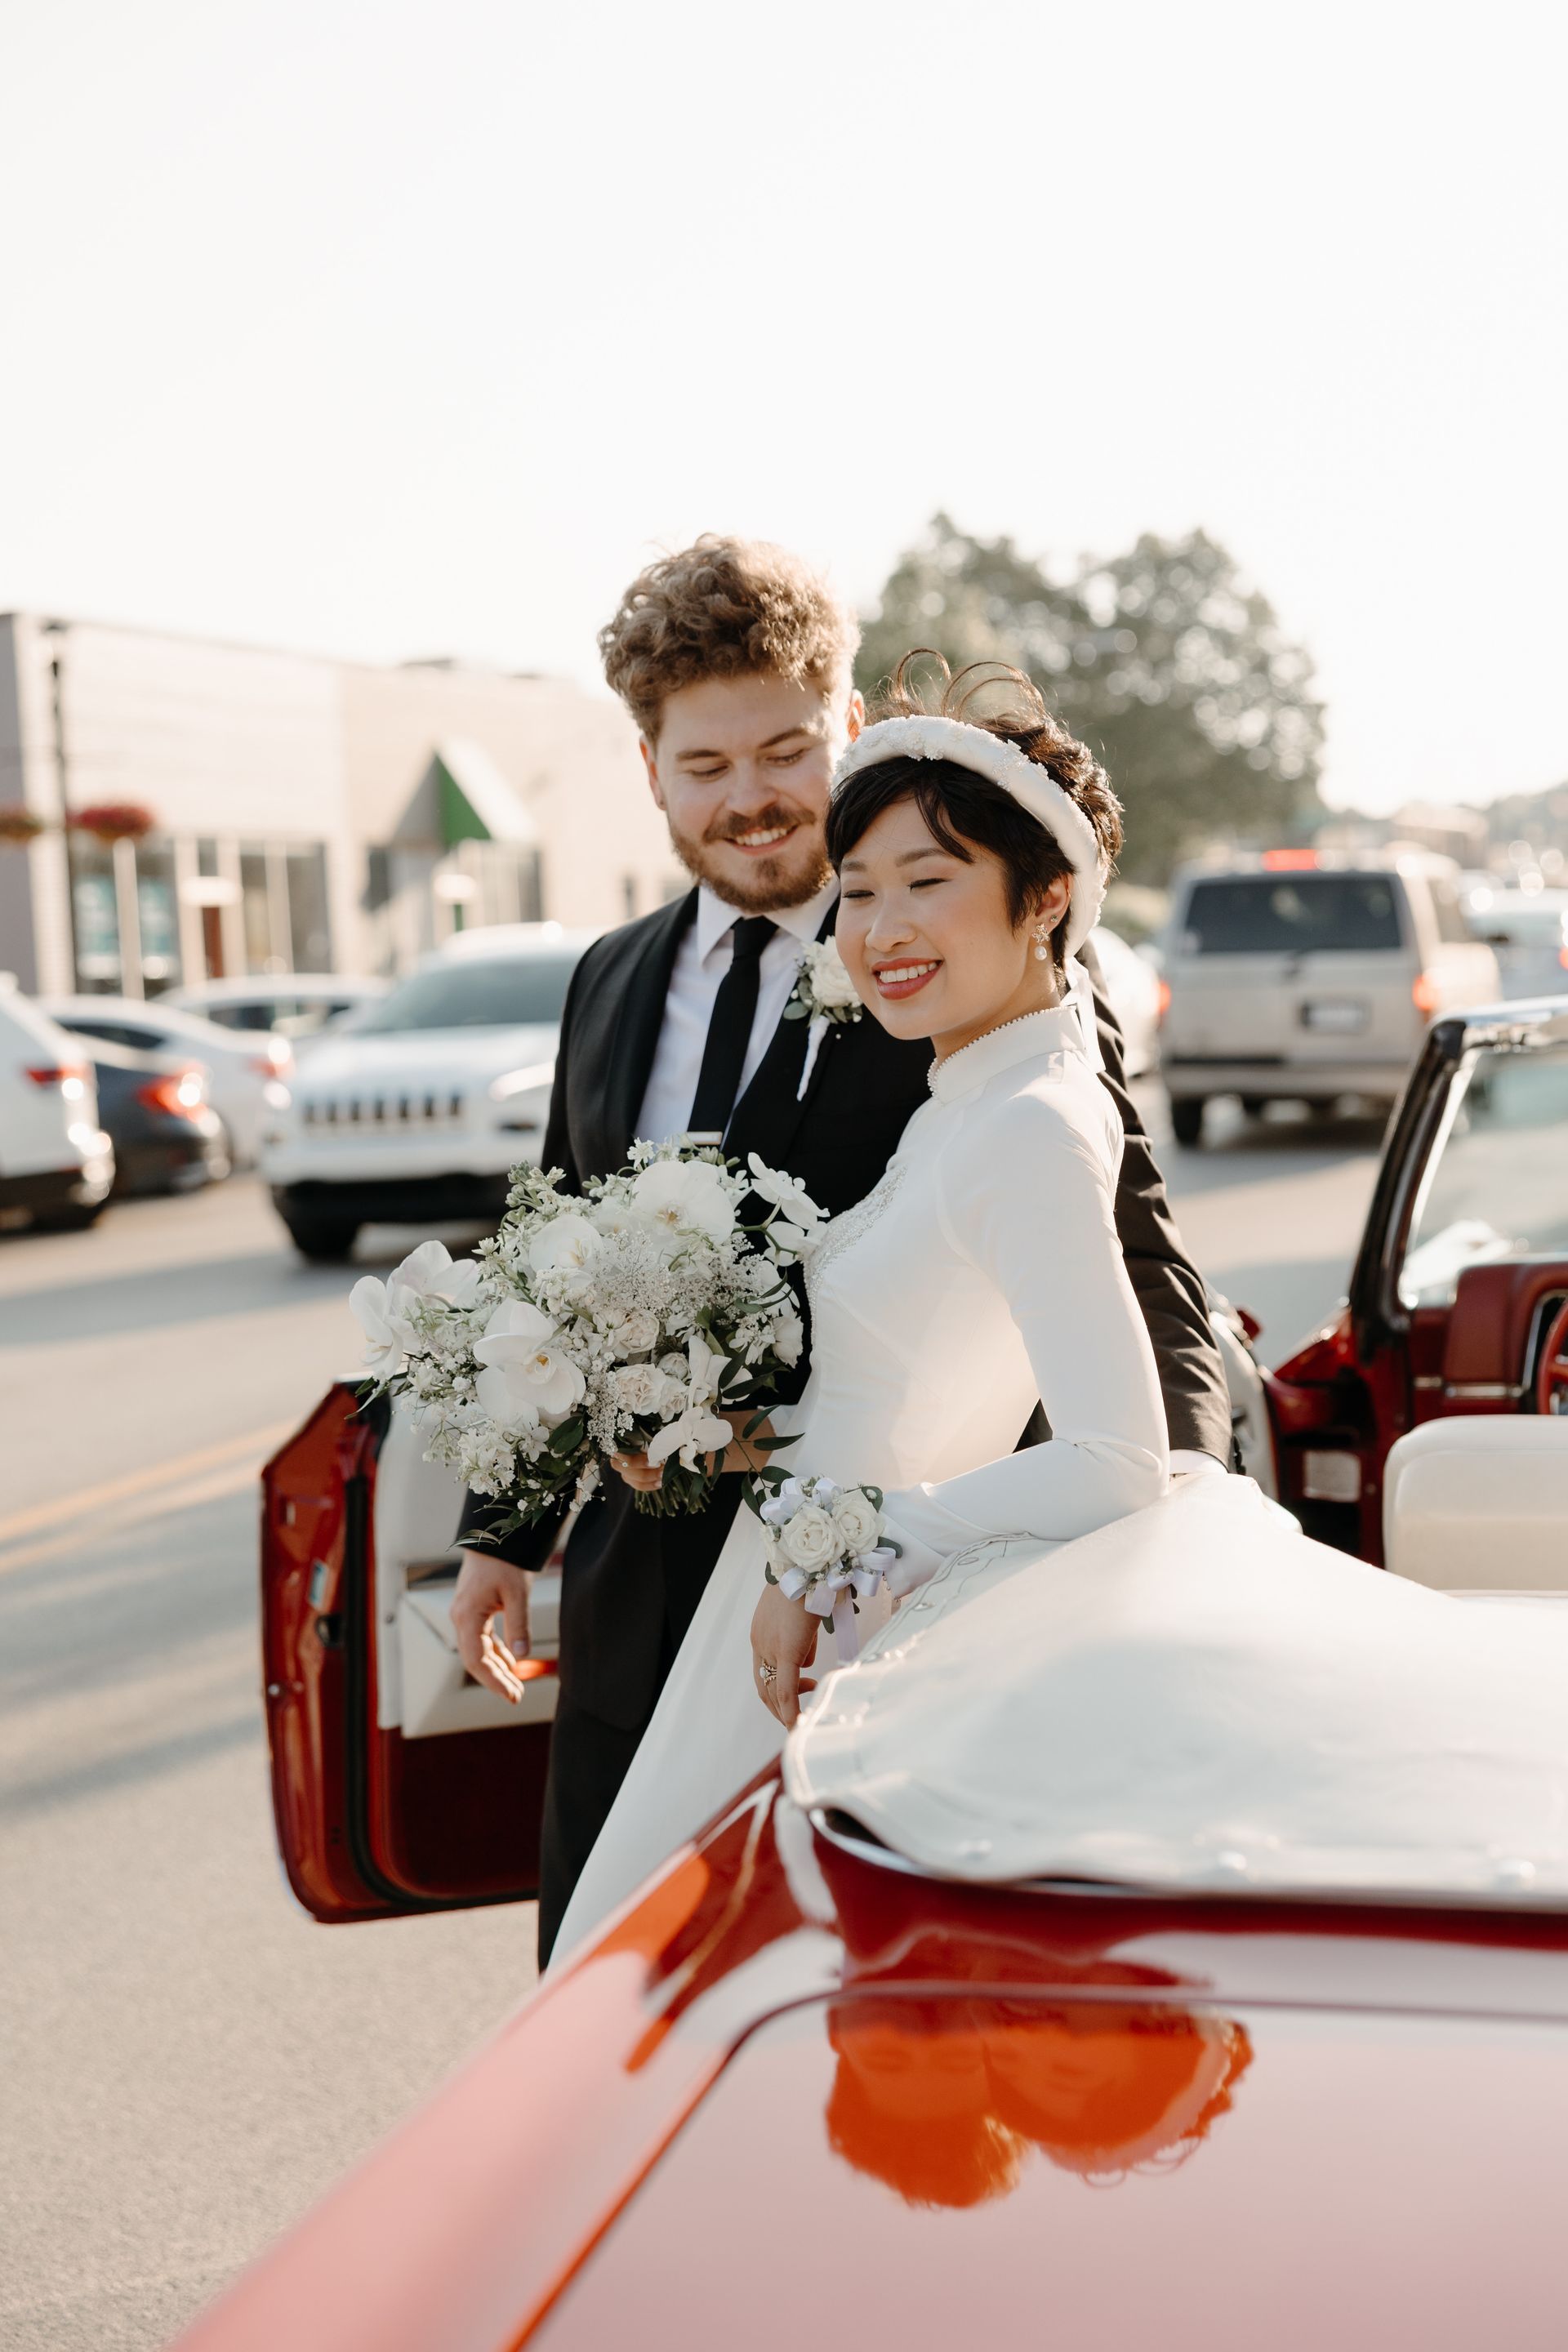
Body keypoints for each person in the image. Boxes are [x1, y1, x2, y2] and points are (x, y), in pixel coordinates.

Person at [450, 537, 1229, 1963]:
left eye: (784, 748)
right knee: (614, 1982)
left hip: (872, 1610)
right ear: (651, 772)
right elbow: (553, 1259)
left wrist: (1172, 1523)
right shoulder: (608, 981)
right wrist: (504, 1528)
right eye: (704, 765)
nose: (748, 797)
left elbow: (1140, 1260)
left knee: (829, 2000)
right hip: (639, 1588)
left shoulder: (971, 963)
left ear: (850, 727)